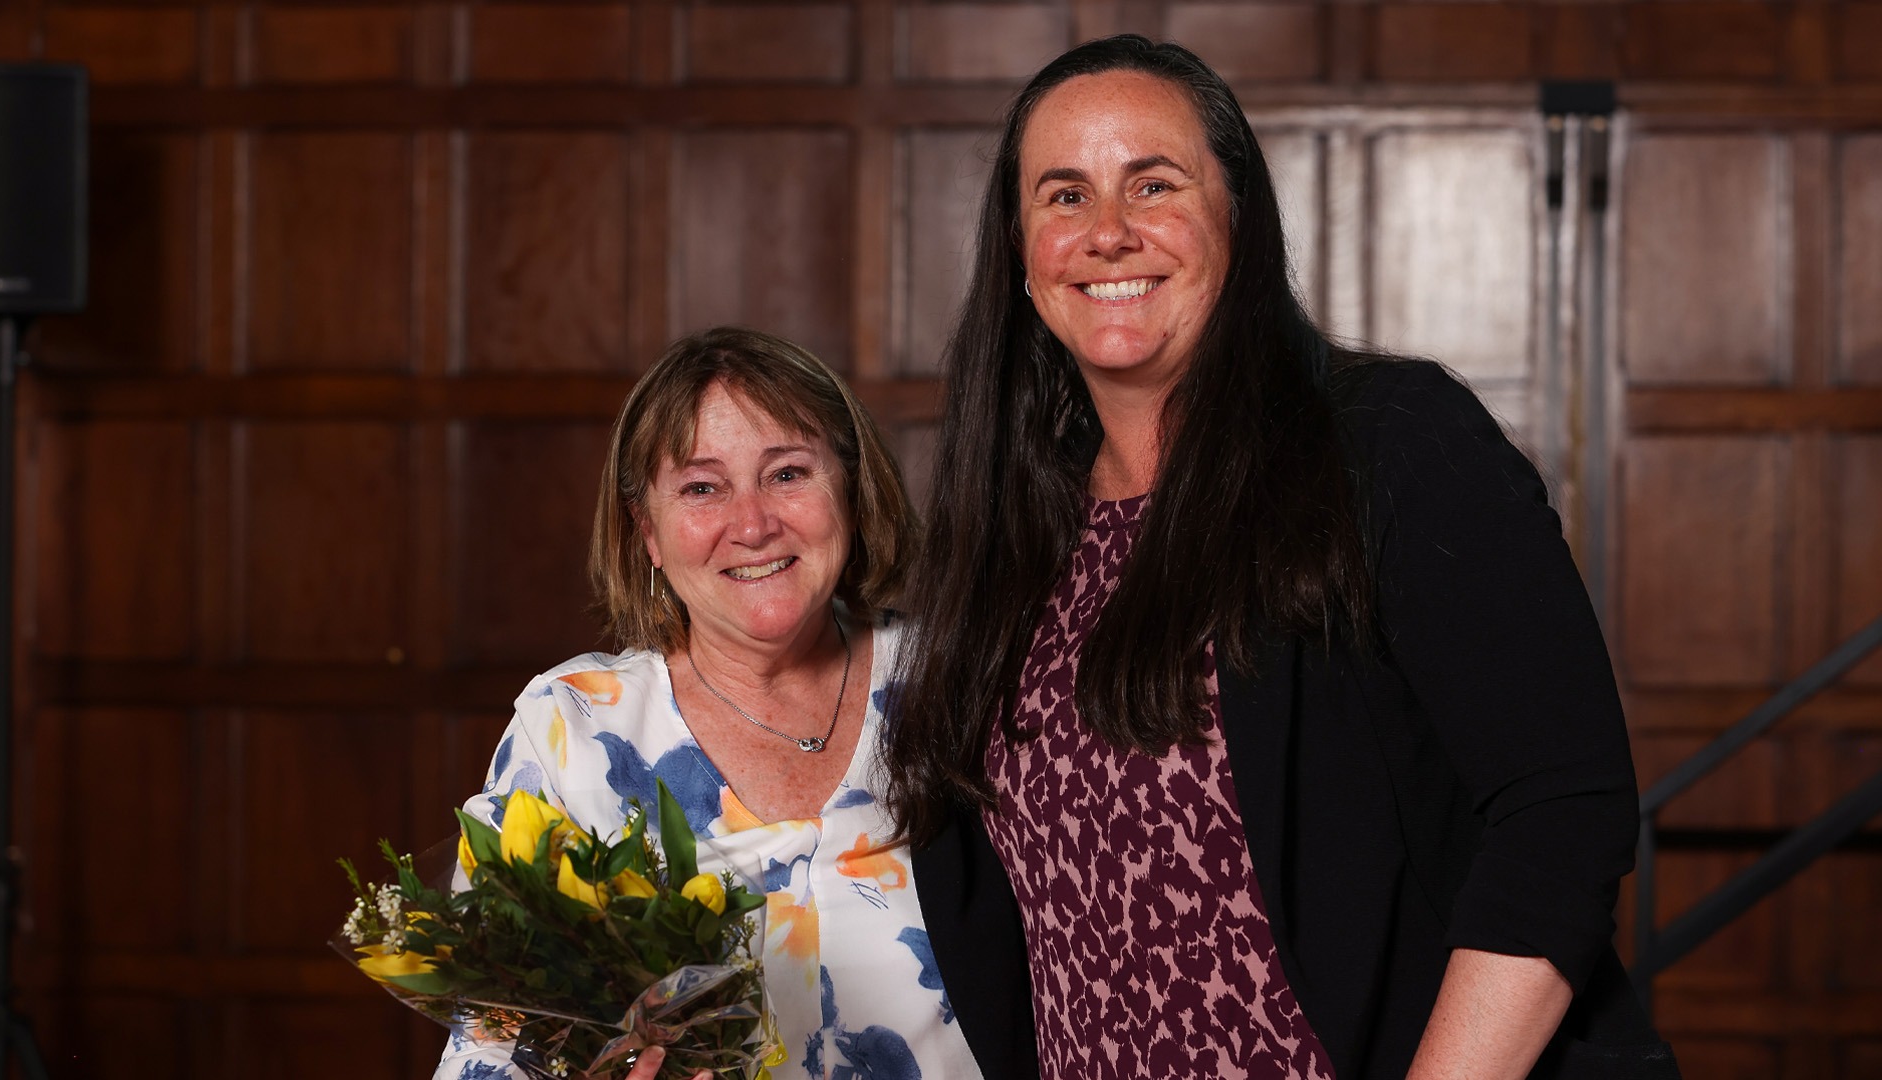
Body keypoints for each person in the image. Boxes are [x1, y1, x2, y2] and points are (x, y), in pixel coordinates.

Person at [884, 35, 1681, 1080]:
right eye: (1064, 197)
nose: (1109, 234)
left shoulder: (1388, 443)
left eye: (1153, 184)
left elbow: (1561, 815)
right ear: (1023, 256)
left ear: (1239, 217)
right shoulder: (1005, 540)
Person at [437, 326, 982, 1080]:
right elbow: (490, 1044)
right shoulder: (573, 724)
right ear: (647, 533)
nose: (753, 524)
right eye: (702, 488)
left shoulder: (957, 681)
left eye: (788, 474)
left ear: (851, 492)